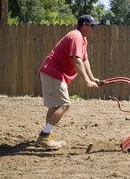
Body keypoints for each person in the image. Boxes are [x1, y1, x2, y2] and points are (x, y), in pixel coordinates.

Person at [36, 15, 101, 150]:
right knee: (64, 104)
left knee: (55, 106)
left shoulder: (83, 39)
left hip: (52, 72)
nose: (93, 28)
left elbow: (84, 60)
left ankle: (47, 136)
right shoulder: (76, 36)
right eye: (92, 25)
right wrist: (86, 81)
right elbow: (76, 60)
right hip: (53, 72)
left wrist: (92, 78)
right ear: (84, 25)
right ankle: (44, 136)